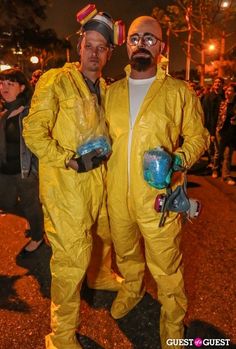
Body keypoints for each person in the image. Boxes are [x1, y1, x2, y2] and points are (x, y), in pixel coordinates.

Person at [23, 7, 124, 349]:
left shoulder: (106, 90)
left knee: (105, 232)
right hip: (66, 188)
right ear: (79, 47)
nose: (94, 53)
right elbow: (34, 133)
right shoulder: (57, 80)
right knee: (71, 261)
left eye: (102, 47)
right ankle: (61, 335)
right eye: (90, 45)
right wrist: (67, 161)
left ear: (109, 53)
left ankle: (103, 276)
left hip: (98, 183)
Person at [105, 16, 209, 349]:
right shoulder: (111, 92)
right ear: (126, 43)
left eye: (150, 39)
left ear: (162, 48)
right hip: (118, 196)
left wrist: (177, 159)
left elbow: (199, 136)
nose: (142, 44)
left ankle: (173, 321)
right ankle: (132, 289)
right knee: (126, 254)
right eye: (136, 38)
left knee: (166, 266)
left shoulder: (179, 92)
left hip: (158, 199)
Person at [0, 68, 44, 254]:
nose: (4, 87)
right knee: (6, 204)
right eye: (2, 83)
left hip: (24, 171)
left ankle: (37, 236)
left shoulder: (28, 114)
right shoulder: (3, 113)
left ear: (22, 87)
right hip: (4, 170)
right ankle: (35, 221)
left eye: (11, 84)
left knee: (30, 204)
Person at [212, 84, 236, 185]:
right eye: (227, 90)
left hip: (231, 133)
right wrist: (212, 133)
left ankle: (226, 176)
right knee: (218, 153)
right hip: (220, 132)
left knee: (228, 155)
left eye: (230, 91)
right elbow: (214, 118)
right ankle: (215, 169)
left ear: (234, 93)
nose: (227, 92)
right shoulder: (221, 103)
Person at [202, 77, 225, 171]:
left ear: (222, 84)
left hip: (221, 125)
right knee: (211, 147)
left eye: (220, 82)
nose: (217, 83)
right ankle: (211, 163)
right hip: (210, 124)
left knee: (219, 147)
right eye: (216, 82)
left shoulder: (224, 96)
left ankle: (217, 164)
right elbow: (205, 112)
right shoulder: (208, 97)